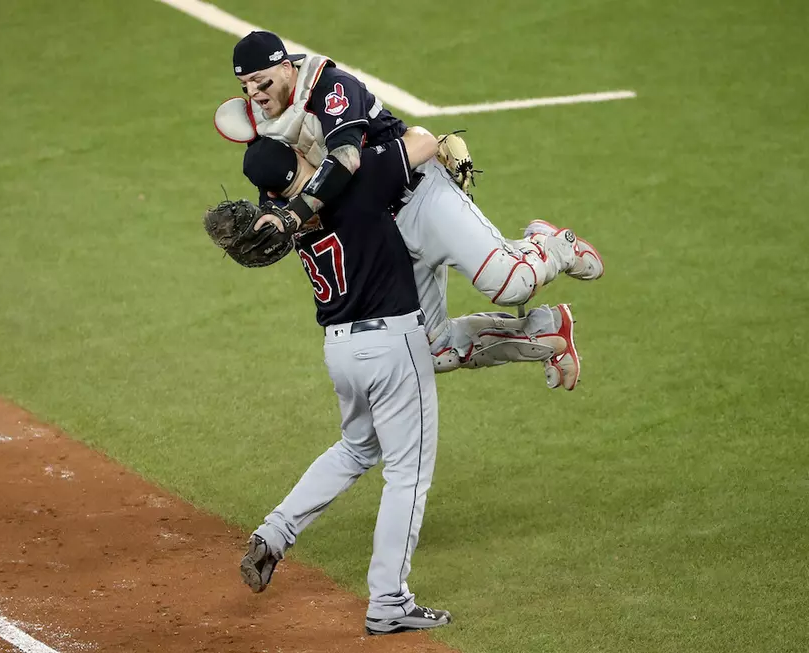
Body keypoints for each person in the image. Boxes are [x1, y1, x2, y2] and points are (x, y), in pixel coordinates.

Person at [217, 30, 602, 388]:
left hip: (417, 191)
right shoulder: (264, 134)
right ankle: (545, 331)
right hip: (382, 230)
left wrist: (295, 213)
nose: (255, 94)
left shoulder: (329, 85)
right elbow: (291, 204)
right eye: (245, 86)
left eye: (262, 81)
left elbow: (347, 157)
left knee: (511, 282)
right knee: (435, 349)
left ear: (286, 68)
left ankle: (551, 243)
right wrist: (272, 223)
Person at [237, 127, 456, 635]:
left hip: (341, 348)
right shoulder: (356, 187)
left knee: (357, 449)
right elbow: (423, 140)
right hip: (392, 344)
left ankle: (275, 532)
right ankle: (389, 602)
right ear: (296, 159)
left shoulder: (283, 220)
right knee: (408, 474)